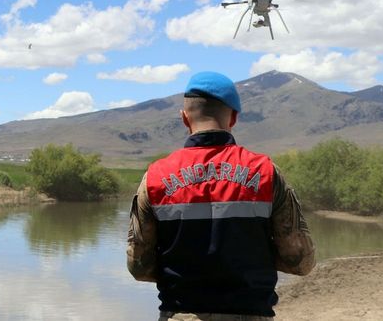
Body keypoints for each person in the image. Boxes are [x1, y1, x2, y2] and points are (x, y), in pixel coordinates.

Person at [127, 71, 315, 320]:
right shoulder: (266, 173)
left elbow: (138, 266)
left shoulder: (155, 177)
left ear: (185, 118)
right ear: (234, 117)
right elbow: (299, 262)